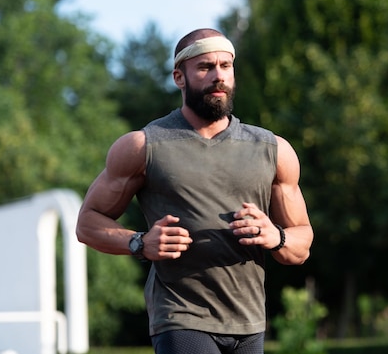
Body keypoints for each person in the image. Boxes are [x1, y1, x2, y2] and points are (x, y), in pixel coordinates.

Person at [76, 28, 314, 354]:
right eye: (205, 67)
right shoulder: (143, 146)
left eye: (226, 66)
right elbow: (87, 223)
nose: (219, 76)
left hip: (249, 319)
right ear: (179, 77)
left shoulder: (273, 150)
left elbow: (301, 245)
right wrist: (140, 242)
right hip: (180, 314)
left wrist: (276, 236)